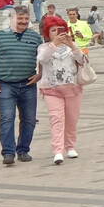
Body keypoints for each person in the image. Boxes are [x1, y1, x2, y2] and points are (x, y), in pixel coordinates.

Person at [0, 7, 42, 165]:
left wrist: (40, 74)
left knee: (29, 119)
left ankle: (23, 150)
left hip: (28, 85)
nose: (24, 21)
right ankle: (8, 153)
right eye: (20, 18)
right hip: (5, 85)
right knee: (7, 118)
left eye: (26, 18)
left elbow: (43, 57)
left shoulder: (35, 37)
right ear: (12, 19)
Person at [35, 14, 89, 164]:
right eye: (53, 30)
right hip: (52, 89)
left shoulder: (71, 47)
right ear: (47, 33)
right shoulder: (44, 47)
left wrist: (72, 45)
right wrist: (54, 45)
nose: (57, 33)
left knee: (72, 119)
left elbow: (81, 60)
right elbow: (42, 59)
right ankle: (58, 150)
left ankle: (70, 146)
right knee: (56, 119)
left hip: (73, 88)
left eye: (60, 30)